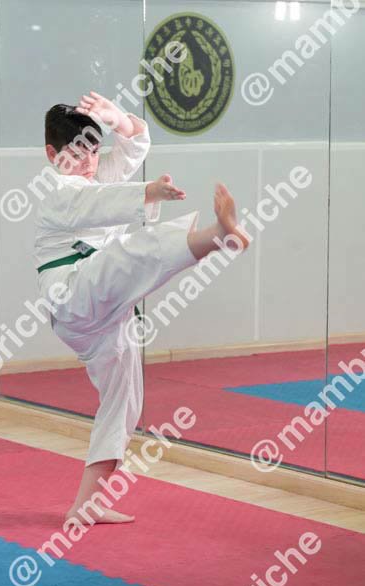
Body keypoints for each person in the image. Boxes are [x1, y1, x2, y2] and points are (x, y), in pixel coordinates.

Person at [35, 91, 249, 525]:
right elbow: (92, 203)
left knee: (124, 402)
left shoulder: (96, 173)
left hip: (109, 312)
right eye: (77, 153)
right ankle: (215, 236)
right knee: (130, 254)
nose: (89, 162)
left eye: (94, 150)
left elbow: (133, 148)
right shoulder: (55, 188)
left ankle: (86, 506)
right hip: (73, 293)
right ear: (53, 155)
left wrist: (119, 120)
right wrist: (149, 191)